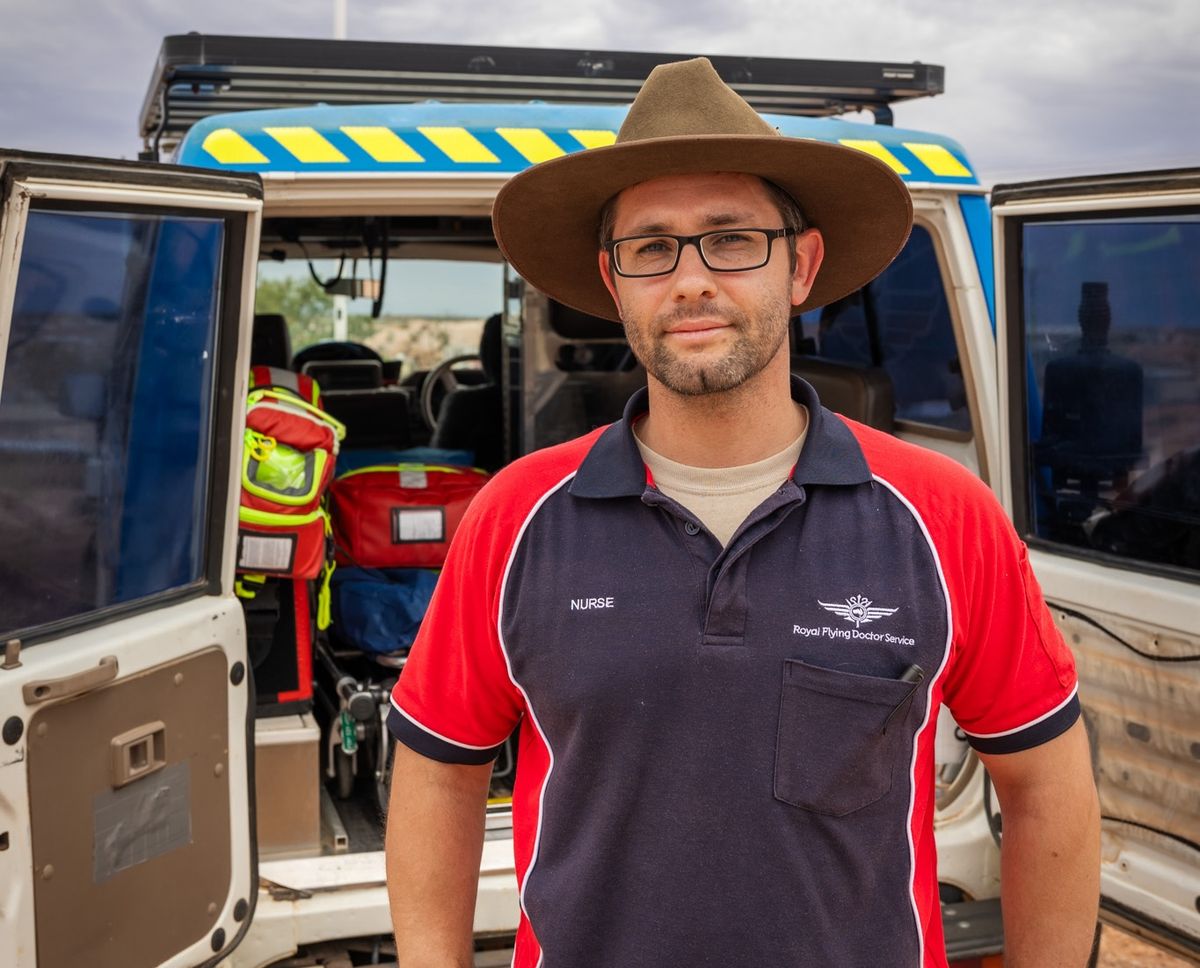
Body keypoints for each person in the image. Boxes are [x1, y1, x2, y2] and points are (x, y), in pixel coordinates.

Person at [384, 57, 1100, 968]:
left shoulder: (941, 514)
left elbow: (1046, 785)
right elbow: (441, 775)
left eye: (731, 239)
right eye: (652, 247)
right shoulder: (516, 519)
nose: (690, 280)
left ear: (800, 266)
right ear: (615, 283)